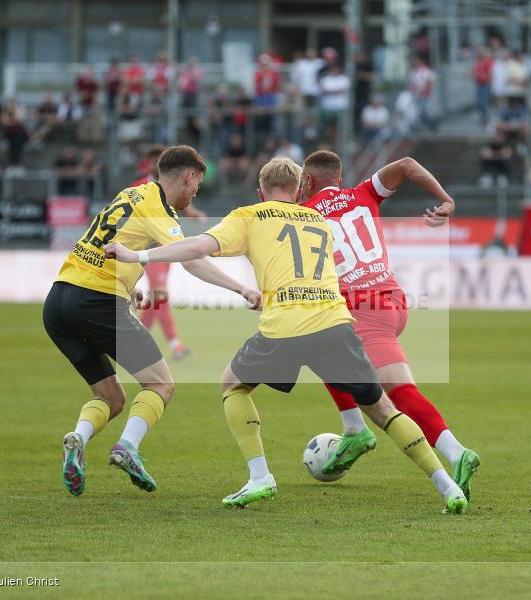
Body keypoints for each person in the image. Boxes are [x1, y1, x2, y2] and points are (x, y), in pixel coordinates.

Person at [105, 157, 469, 513]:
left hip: (285, 325)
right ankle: (446, 484)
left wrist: (139, 258)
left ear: (261, 192)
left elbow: (198, 247)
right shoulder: (318, 219)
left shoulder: (249, 216)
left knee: (232, 384)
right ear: (298, 192)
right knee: (384, 409)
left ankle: (260, 476)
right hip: (334, 321)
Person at [44, 145, 259, 497]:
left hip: (59, 301)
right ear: (188, 176)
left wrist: (127, 290)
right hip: (97, 302)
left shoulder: (131, 193)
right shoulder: (158, 207)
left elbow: (104, 246)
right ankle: (127, 446)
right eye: (197, 186)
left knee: (110, 397)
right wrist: (241, 289)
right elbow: (192, 259)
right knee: (161, 385)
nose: (194, 195)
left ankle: (78, 439)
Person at [298, 150, 479, 498]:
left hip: (363, 310)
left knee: (398, 393)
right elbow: (409, 164)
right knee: (318, 346)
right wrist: (445, 200)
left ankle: (457, 453)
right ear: (339, 178)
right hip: (390, 301)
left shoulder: (301, 214)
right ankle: (353, 429)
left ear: (307, 182)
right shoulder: (364, 192)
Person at [131, 145, 206, 359]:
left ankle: (139, 340)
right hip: (151, 250)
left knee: (158, 296)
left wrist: (193, 213)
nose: (156, 164)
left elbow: (177, 204)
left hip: (166, 247)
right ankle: (174, 344)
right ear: (149, 163)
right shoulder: (139, 188)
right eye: (154, 160)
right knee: (160, 294)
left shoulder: (169, 186)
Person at [473, 47, 494, 127]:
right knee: (479, 102)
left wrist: (489, 80)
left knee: (484, 102)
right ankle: (484, 117)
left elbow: (490, 72)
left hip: (485, 83)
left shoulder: (487, 61)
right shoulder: (477, 62)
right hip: (479, 83)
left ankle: (485, 119)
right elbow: (475, 71)